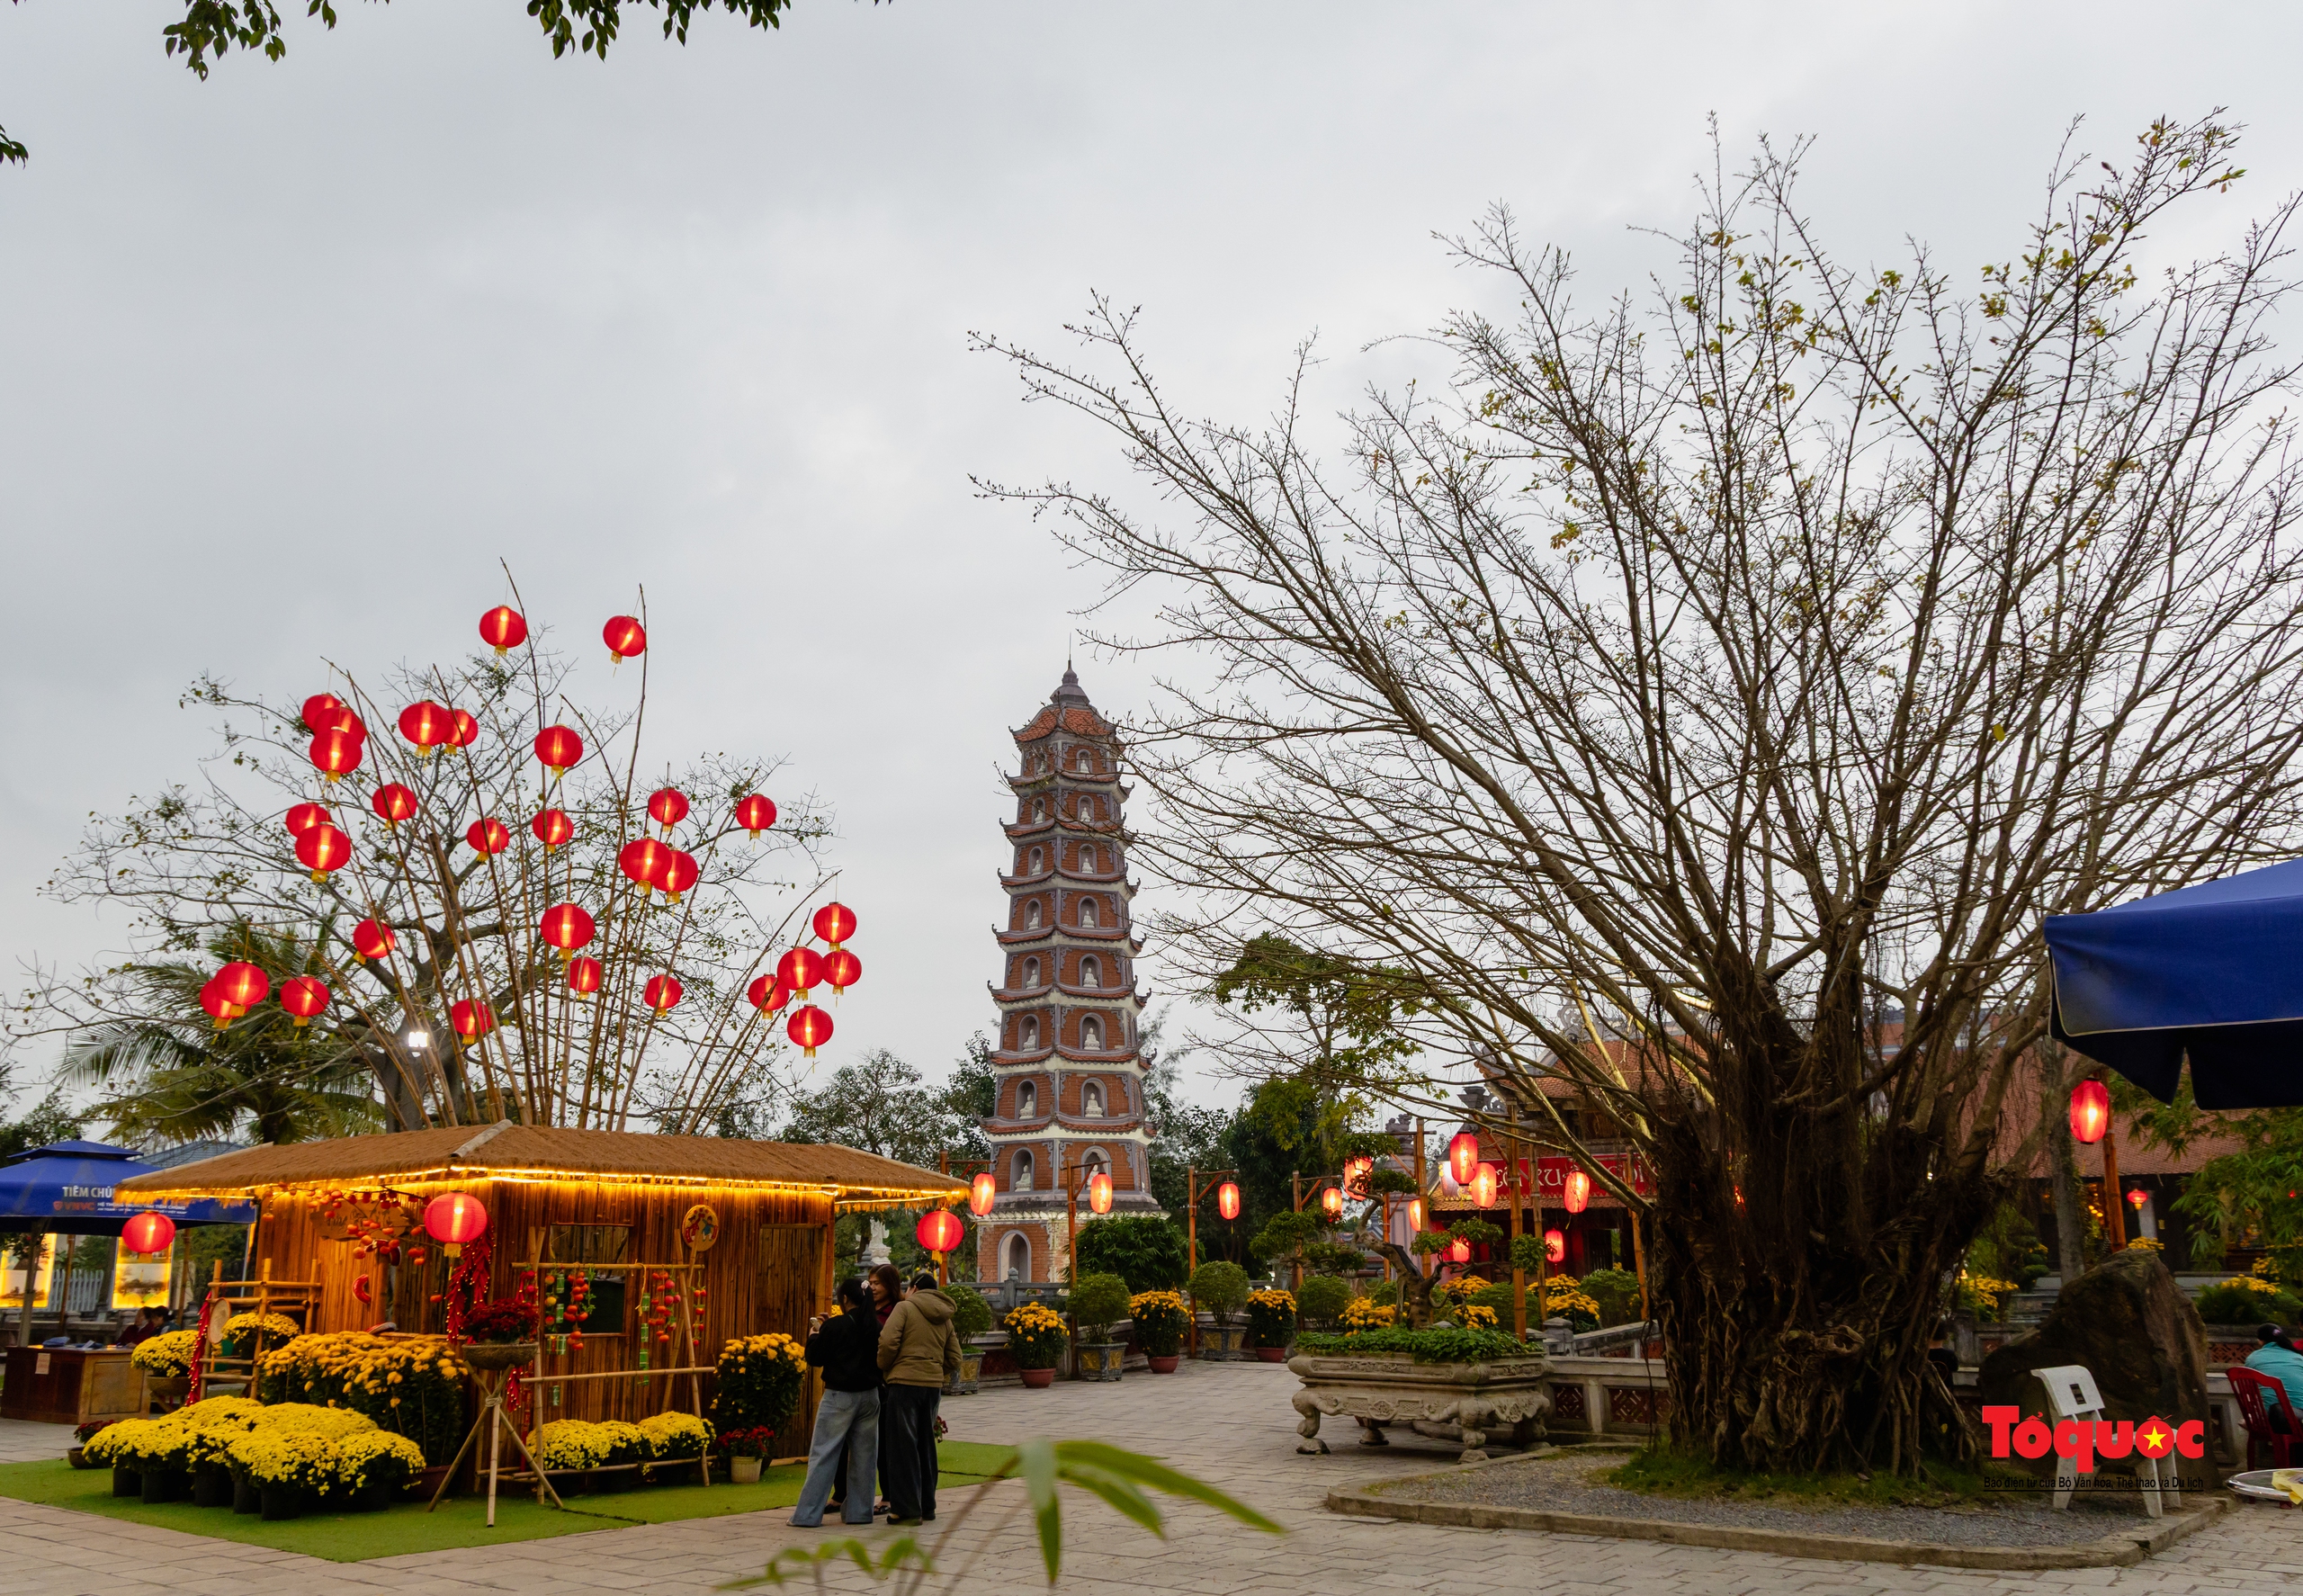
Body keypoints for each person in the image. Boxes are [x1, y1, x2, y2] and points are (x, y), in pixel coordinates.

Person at [789, 1276, 883, 1528]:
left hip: (839, 1396)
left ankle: (807, 1515)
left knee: (824, 1453)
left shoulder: (836, 1326)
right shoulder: (874, 1326)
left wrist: (814, 1335)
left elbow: (815, 1357)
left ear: (844, 1299)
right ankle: (860, 1512)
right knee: (864, 1457)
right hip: (870, 1396)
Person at [876, 1269, 960, 1527]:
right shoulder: (945, 1317)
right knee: (925, 1444)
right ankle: (927, 1506)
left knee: (902, 1447)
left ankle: (906, 1510)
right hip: (932, 1385)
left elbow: (888, 1342)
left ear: (913, 1287)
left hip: (904, 1383)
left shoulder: (904, 1308)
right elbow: (955, 1359)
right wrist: (934, 1370)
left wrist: (886, 1368)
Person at [829, 1264, 906, 1520]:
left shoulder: (897, 1311)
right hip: (854, 1382)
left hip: (880, 1384)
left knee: (881, 1444)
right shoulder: (865, 1310)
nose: (872, 1287)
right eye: (870, 1283)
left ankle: (888, 1495)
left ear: (890, 1286)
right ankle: (841, 1494)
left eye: (878, 1283)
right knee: (841, 1443)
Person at [2245, 1323, 2303, 1425]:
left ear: (2260, 1340)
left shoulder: (2253, 1358)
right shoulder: (2298, 1357)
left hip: (2270, 1419)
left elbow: (2251, 1391)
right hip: (2299, 1418)